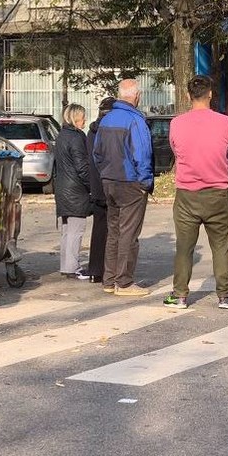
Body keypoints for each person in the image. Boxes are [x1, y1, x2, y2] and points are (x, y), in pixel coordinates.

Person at [163, 75, 228, 310]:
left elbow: (175, 149)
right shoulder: (226, 122)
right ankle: (225, 295)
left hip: (187, 193)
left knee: (184, 248)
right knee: (221, 247)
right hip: (218, 192)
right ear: (210, 94)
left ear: (188, 96)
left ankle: (179, 295)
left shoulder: (176, 123)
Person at [93, 79, 153, 296]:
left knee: (114, 232)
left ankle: (109, 280)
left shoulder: (106, 119)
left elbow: (97, 153)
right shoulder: (135, 120)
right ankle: (124, 282)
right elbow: (142, 155)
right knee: (129, 233)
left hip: (109, 180)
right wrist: (145, 183)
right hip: (130, 183)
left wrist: (105, 173)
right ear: (137, 96)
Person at [54, 103, 91, 279]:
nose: (85, 120)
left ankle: (66, 265)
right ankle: (73, 267)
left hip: (63, 187)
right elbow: (82, 166)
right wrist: (92, 185)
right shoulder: (77, 137)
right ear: (76, 118)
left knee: (67, 230)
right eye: (82, 117)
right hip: (76, 190)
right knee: (76, 230)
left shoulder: (61, 135)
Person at [81, 97, 115, 283]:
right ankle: (111, 270)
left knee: (99, 228)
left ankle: (95, 269)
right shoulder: (111, 130)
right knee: (114, 229)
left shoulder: (92, 131)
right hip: (110, 182)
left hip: (96, 185)